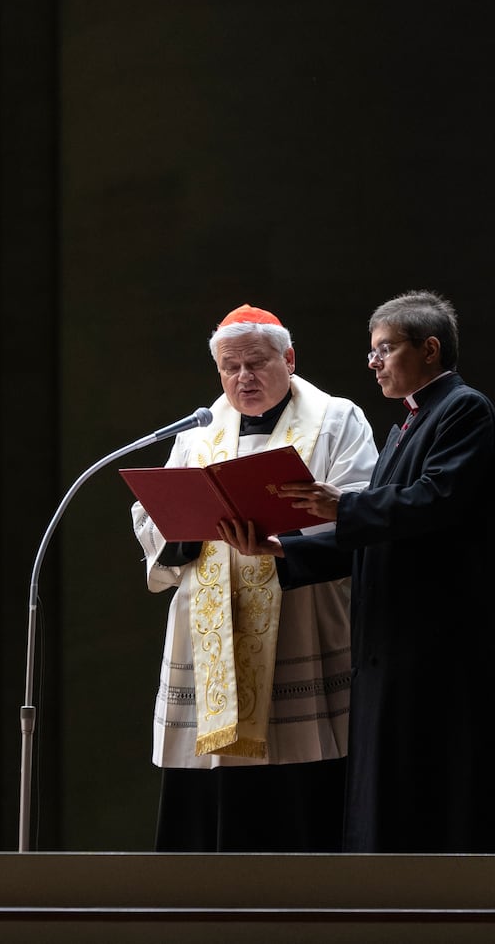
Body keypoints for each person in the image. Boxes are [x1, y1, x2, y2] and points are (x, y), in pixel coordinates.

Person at [220, 290, 495, 854]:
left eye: (386, 349)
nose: (373, 361)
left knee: (439, 789)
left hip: (443, 642)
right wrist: (284, 548)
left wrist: (341, 507)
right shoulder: (405, 429)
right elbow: (376, 537)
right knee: (395, 785)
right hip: (397, 638)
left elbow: (435, 500)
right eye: (371, 351)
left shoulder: (464, 410)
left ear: (429, 349)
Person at [130, 304, 378, 852]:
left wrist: (283, 546)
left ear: (288, 358)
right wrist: (187, 531)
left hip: (303, 620)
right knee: (211, 793)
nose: (243, 378)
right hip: (209, 629)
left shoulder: (337, 420)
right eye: (230, 367)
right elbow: (155, 516)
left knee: (301, 788)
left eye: (257, 363)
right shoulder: (199, 431)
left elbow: (361, 510)